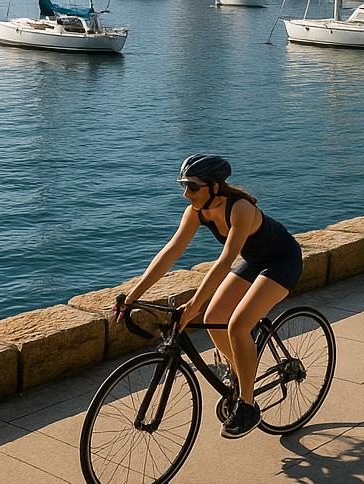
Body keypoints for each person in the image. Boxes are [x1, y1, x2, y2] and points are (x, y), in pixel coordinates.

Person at [115, 154, 303, 439]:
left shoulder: (240, 209)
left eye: (192, 186)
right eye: (184, 185)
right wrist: (132, 296)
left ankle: (248, 406)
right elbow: (170, 253)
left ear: (214, 187)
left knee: (238, 325)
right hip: (253, 260)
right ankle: (243, 371)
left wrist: (192, 305)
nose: (185, 193)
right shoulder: (197, 211)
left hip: (283, 262)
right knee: (214, 317)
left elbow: (225, 260)